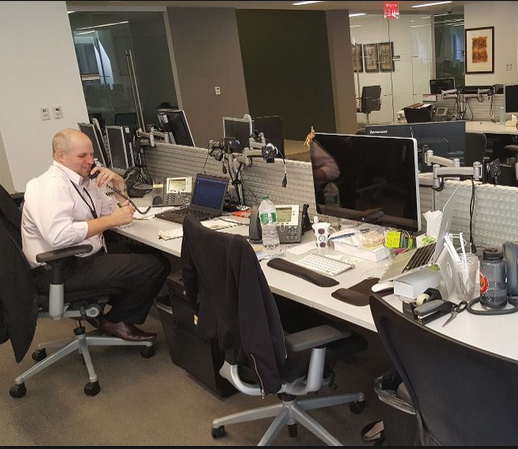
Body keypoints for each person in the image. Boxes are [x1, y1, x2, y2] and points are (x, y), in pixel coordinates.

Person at [22, 129, 170, 342]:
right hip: (57, 269)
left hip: (81, 255)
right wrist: (109, 221)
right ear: (60, 155)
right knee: (154, 266)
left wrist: (120, 187)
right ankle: (116, 321)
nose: (90, 161)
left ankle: (107, 316)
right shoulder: (50, 186)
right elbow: (59, 236)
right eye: (82, 156)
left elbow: (120, 214)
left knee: (150, 255)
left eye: (91, 154)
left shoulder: (82, 182)